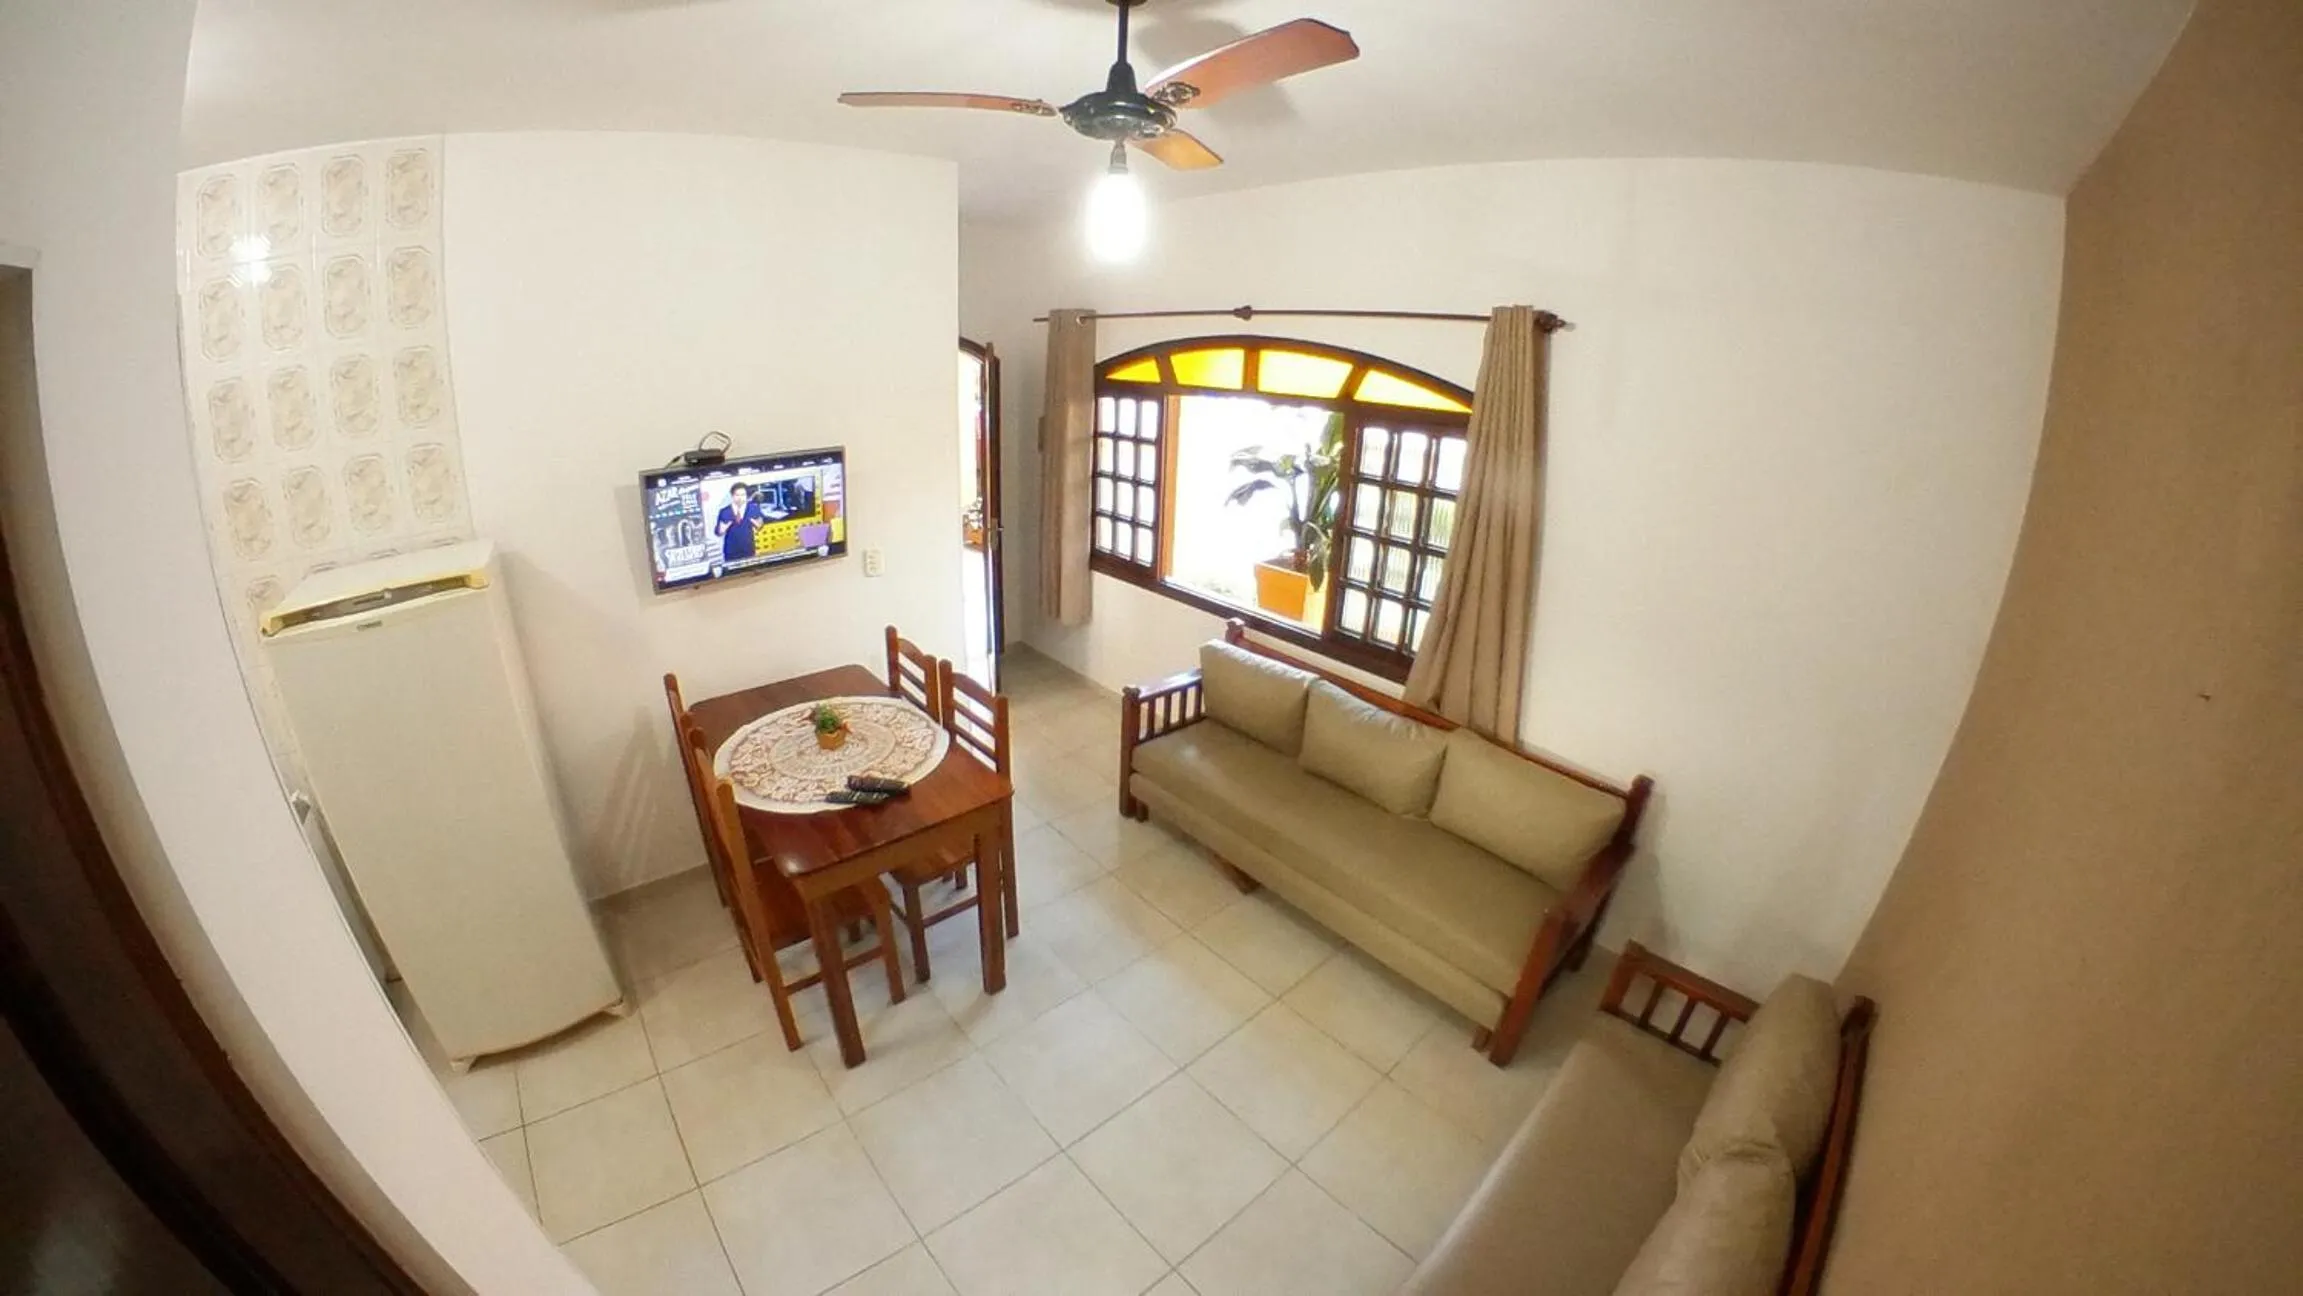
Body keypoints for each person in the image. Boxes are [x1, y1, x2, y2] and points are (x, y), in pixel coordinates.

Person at [714, 481, 763, 563]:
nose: (740, 498)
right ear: (732, 496)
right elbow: (718, 532)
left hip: (748, 549)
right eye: (737, 495)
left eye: (743, 495)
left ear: (747, 496)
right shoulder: (725, 511)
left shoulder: (753, 509)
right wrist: (721, 530)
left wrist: (758, 524)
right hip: (731, 551)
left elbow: (760, 526)